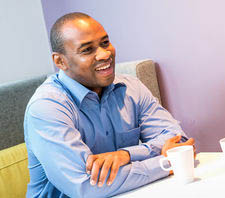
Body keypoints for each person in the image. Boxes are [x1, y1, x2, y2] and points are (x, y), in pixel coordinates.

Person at [24, 12, 195, 197]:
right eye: (87, 50)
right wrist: (165, 162)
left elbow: (180, 142)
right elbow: (87, 187)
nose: (105, 54)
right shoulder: (46, 108)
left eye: (105, 43)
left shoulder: (131, 87)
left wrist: (126, 155)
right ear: (60, 61)